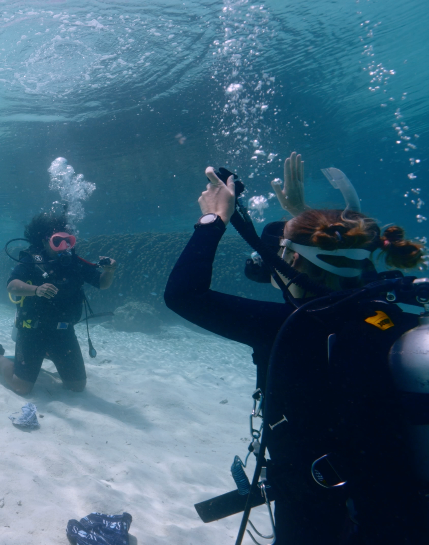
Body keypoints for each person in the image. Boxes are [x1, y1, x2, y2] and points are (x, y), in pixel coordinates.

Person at [164, 154, 427, 543]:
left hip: (317, 511)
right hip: (402, 509)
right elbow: (348, 265)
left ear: (288, 260)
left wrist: (213, 218)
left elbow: (183, 294)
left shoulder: (287, 328)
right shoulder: (390, 317)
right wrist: (308, 218)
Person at [0, 212, 116, 395]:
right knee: (22, 387)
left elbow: (102, 284)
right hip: (32, 331)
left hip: (64, 332)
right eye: (57, 241)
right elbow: (12, 286)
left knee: (77, 386)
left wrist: (110, 271)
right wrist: (36, 289)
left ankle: (48, 354)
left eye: (69, 241)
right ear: (43, 241)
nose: (64, 247)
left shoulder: (75, 263)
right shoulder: (31, 260)